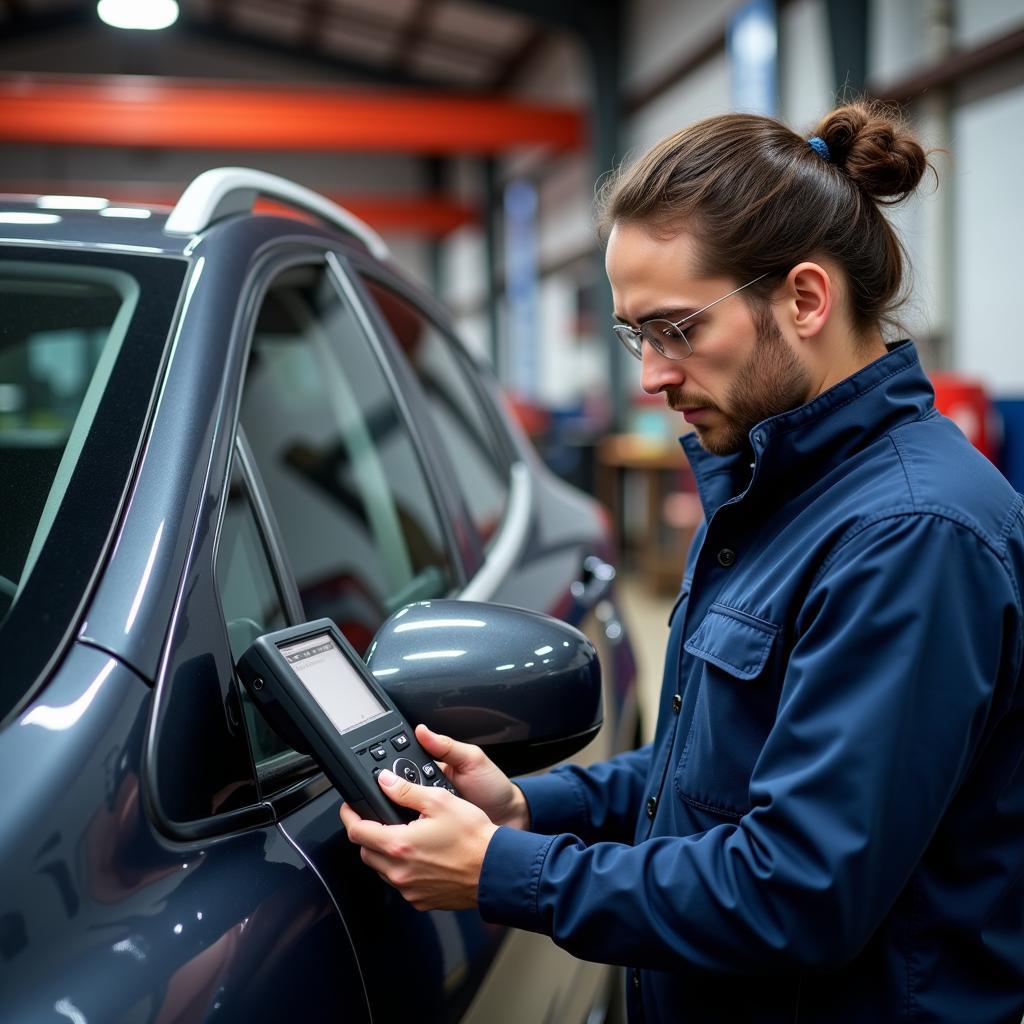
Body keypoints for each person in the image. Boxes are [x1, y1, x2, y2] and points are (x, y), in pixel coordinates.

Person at [340, 101, 1024, 1023]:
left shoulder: (908, 537)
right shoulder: (772, 494)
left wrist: (510, 874)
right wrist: (531, 810)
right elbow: (712, 773)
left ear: (807, 299)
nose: (653, 376)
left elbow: (798, 893)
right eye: (637, 335)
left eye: (678, 329)